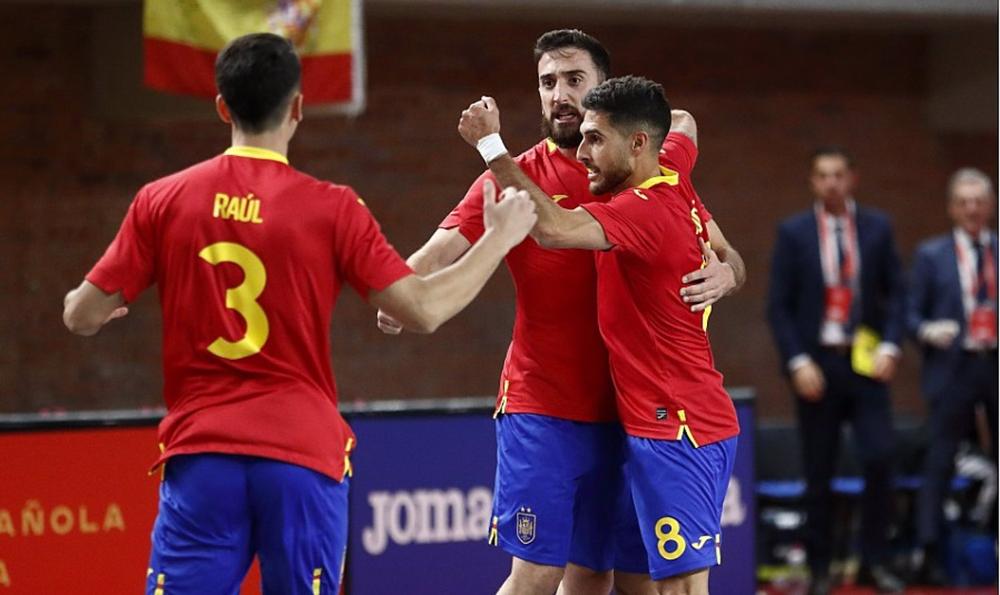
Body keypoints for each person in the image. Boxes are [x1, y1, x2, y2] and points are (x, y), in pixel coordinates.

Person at [61, 33, 537, 595]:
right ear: (297, 108)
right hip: (301, 456)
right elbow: (424, 310)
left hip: (203, 455)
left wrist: (106, 307)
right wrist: (498, 239)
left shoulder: (163, 200)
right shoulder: (332, 206)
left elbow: (80, 314)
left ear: (222, 106)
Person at [381, 30, 745, 595]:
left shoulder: (638, 168)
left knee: (617, 577)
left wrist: (726, 273)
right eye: (547, 83)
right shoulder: (514, 175)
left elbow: (723, 247)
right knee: (537, 574)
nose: (559, 95)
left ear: (605, 95)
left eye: (575, 80)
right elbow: (438, 250)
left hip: (631, 414)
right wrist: (398, 291)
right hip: (543, 403)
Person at [766, 146, 906, 595]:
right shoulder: (794, 233)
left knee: (882, 456)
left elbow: (897, 296)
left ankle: (872, 560)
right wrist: (796, 362)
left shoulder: (877, 228)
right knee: (818, 470)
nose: (831, 183)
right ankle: (821, 566)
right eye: (822, 176)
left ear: (852, 179)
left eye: (838, 175)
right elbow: (778, 307)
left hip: (865, 361)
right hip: (817, 365)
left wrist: (891, 345)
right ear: (812, 182)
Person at [907, 167, 997, 585]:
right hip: (953, 367)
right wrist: (927, 329)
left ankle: (989, 545)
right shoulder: (932, 254)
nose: (972, 209)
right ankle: (929, 552)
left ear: (990, 206)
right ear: (951, 208)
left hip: (993, 362)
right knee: (940, 461)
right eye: (964, 202)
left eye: (978, 201)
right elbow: (910, 314)